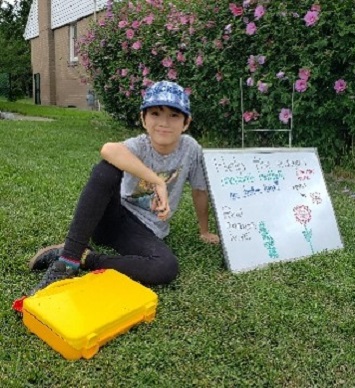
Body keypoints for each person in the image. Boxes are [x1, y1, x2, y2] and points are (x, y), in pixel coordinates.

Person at [28, 81, 219, 295]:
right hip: (112, 216)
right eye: (155, 113)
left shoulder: (191, 149)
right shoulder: (139, 145)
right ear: (143, 119)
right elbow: (108, 149)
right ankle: (68, 259)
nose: (164, 122)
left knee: (166, 267)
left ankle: (86, 258)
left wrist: (204, 230)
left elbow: (199, 190)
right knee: (106, 169)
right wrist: (156, 181)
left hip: (146, 231)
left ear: (186, 122)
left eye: (174, 115)